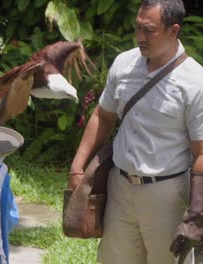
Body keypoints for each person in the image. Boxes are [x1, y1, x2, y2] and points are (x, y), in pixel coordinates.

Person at [69, 0, 203, 263]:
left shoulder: (196, 81)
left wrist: (196, 212)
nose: (140, 37)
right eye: (138, 28)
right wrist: (77, 166)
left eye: (149, 30)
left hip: (167, 194)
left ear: (173, 31)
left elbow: (201, 152)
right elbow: (103, 116)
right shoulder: (124, 63)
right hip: (119, 187)